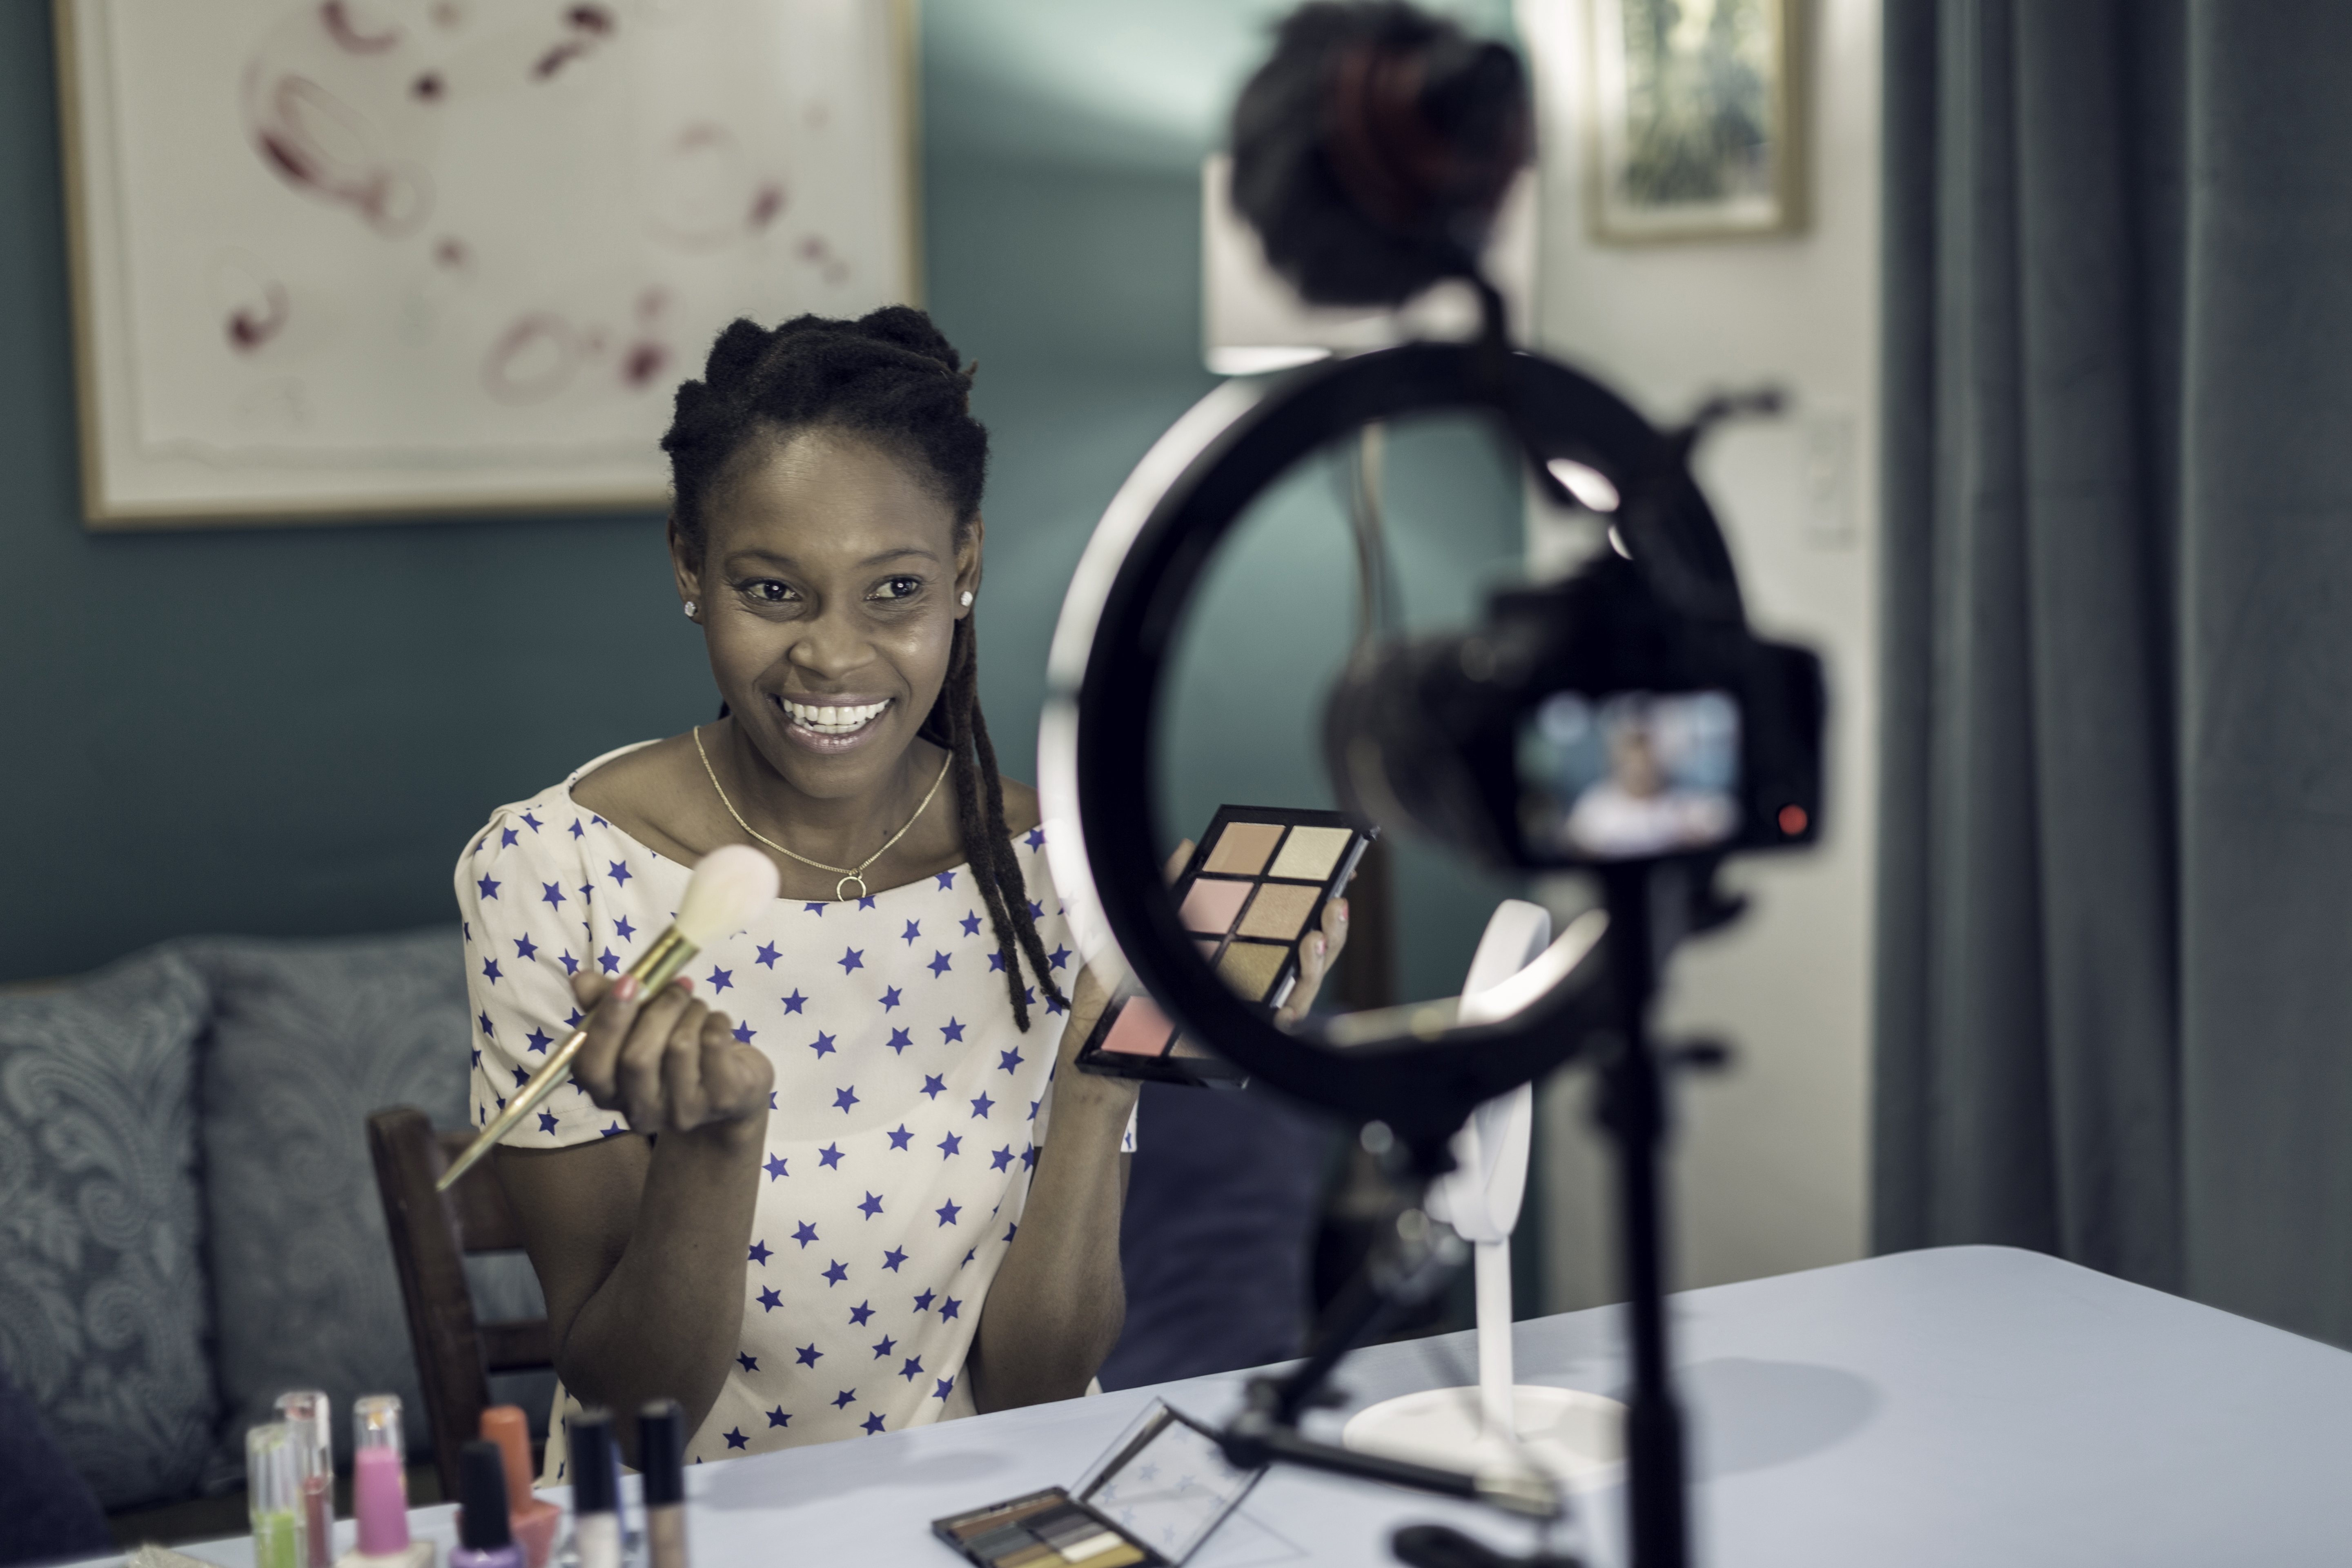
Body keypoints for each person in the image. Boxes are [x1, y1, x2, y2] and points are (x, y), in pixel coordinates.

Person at [457, 307, 1348, 1467]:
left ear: (964, 567)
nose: (833, 656)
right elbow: (635, 1420)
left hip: (970, 1521)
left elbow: (1038, 1385)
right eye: (773, 591)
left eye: (895, 591)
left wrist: (1105, 1067)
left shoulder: (1055, 873)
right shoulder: (549, 877)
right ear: (689, 564)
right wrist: (714, 1153)